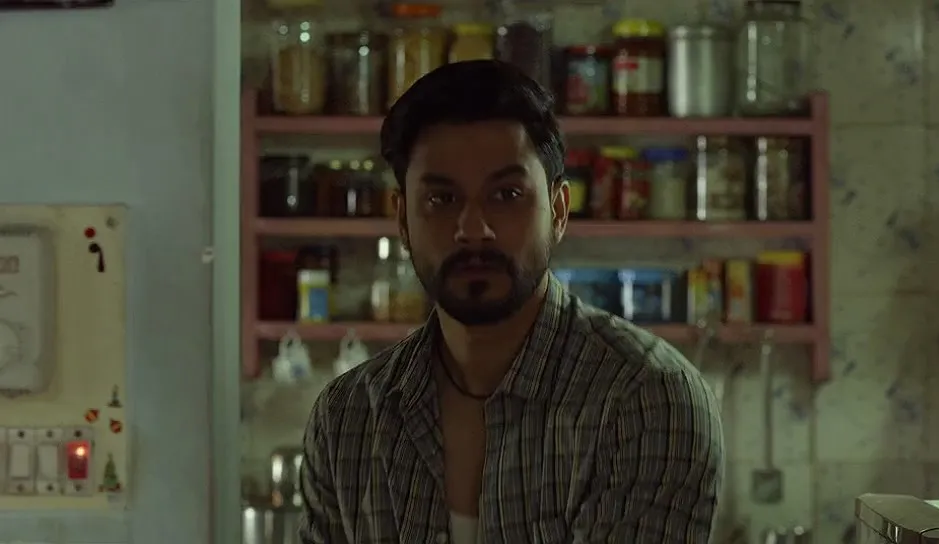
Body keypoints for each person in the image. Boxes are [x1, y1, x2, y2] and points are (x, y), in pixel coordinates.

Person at [297, 60, 724, 544]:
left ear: (558, 211)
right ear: (402, 220)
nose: (473, 229)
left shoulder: (645, 399)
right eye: (441, 200)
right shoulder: (348, 418)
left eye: (507, 194)